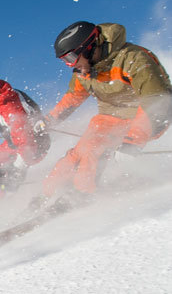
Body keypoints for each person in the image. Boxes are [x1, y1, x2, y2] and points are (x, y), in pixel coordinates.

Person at [42, 21, 172, 201]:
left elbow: (155, 99)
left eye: (70, 58)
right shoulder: (85, 71)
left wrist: (133, 141)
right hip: (110, 117)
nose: (70, 65)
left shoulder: (133, 59)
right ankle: (47, 194)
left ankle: (83, 194)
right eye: (65, 61)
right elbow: (73, 97)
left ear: (88, 47)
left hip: (146, 117)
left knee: (94, 148)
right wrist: (48, 121)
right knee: (77, 153)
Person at [0, 71, 51, 200]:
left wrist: (17, 172)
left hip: (35, 146)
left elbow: (26, 143)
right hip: (15, 141)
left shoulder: (11, 107)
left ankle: (0, 201)